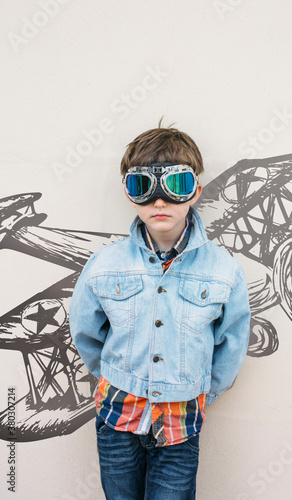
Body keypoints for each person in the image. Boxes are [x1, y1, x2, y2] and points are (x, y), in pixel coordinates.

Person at [69, 119, 251, 500]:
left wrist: (200, 392)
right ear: (128, 193)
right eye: (143, 186)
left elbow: (231, 343)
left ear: (195, 191)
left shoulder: (223, 269)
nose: (160, 200)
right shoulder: (104, 264)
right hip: (117, 420)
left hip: (181, 425)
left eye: (176, 185)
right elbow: (86, 333)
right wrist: (116, 377)